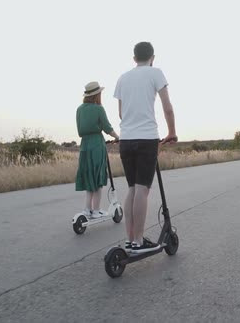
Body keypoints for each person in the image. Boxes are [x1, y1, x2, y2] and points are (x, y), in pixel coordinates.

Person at [114, 41, 177, 254]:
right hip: (147, 138)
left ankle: (131, 239)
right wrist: (171, 132)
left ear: (134, 58)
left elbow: (122, 114)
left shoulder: (123, 78)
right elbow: (167, 107)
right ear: (152, 57)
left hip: (126, 139)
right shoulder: (155, 73)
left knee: (132, 188)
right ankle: (139, 240)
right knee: (143, 189)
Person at [75, 81, 120, 219]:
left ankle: (87, 209)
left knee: (89, 177)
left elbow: (80, 131)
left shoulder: (79, 109)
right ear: (97, 95)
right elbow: (107, 127)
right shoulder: (99, 109)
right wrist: (117, 137)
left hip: (84, 145)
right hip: (96, 144)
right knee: (98, 176)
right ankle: (96, 210)